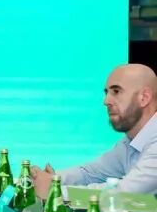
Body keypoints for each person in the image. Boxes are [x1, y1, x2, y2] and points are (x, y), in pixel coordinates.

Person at [31, 63, 157, 199]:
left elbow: (124, 193)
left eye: (116, 91)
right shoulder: (129, 142)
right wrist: (52, 180)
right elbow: (90, 173)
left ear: (144, 97)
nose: (106, 101)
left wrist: (56, 192)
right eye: (106, 93)